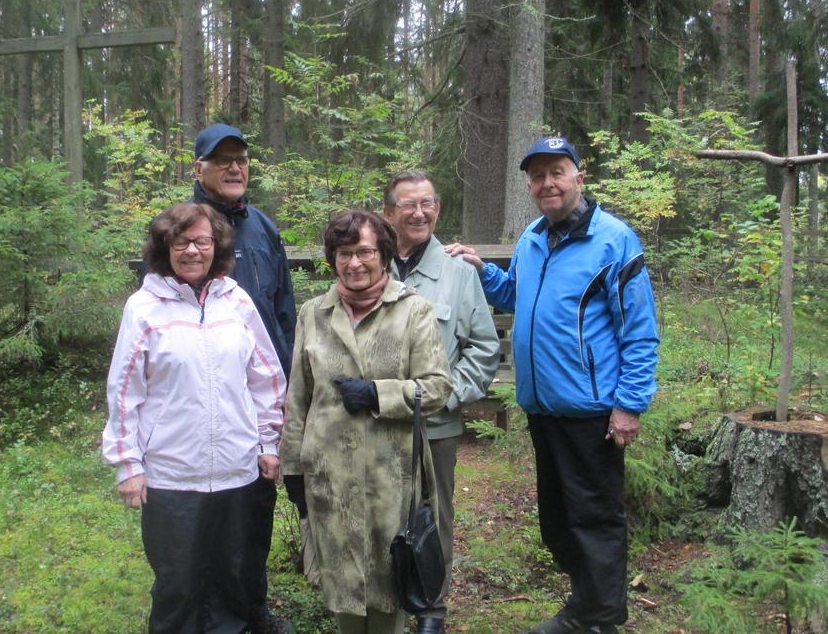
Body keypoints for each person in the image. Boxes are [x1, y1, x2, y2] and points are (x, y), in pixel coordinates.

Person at [446, 136, 659, 634]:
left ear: (578, 177)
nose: (547, 183)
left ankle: (598, 619)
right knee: (559, 521)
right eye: (538, 176)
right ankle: (586, 605)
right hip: (542, 408)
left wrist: (629, 405)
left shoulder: (613, 240)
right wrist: (482, 270)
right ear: (529, 185)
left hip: (591, 411)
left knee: (594, 518)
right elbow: (517, 296)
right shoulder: (533, 238)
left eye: (557, 172)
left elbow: (639, 330)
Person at [102, 202, 286, 634]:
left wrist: (268, 443)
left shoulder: (236, 302)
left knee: (231, 578)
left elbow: (266, 377)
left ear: (217, 247)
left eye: (202, 241)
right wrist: (128, 464)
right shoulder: (144, 308)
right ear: (164, 247)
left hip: (236, 470)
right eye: (181, 241)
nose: (192, 251)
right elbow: (124, 391)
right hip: (172, 475)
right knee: (178, 583)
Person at [280, 210, 453, 634]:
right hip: (330, 476)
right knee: (343, 587)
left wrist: (379, 394)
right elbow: (298, 397)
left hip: (392, 475)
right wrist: (293, 469)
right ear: (332, 259)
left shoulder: (413, 310)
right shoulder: (313, 314)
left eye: (364, 252)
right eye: (344, 254)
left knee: (389, 584)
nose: (354, 263)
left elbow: (437, 387)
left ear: (385, 255)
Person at [381, 171, 500, 634]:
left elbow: (484, 347)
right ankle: (385, 599)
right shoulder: (370, 264)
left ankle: (431, 607)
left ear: (437, 209)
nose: (419, 213)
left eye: (427, 203)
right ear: (388, 212)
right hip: (377, 423)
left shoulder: (458, 273)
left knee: (435, 518)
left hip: (436, 426)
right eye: (408, 205)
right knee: (380, 512)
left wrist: (447, 396)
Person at [192, 123, 297, 634]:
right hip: (208, 395)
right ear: (200, 170)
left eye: (242, 159)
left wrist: (291, 379)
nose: (235, 168)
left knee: (257, 504)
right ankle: (206, 610)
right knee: (209, 510)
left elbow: (284, 309)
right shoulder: (185, 228)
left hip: (261, 396)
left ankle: (253, 608)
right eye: (223, 160)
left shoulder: (262, 227)